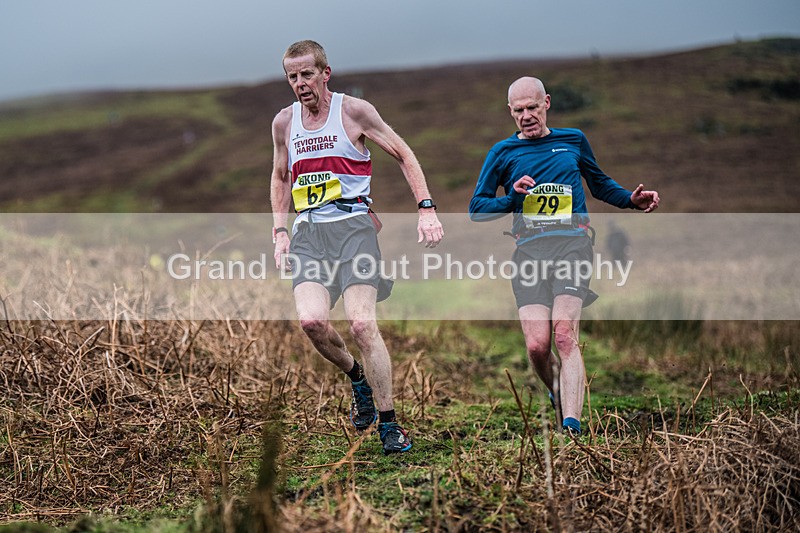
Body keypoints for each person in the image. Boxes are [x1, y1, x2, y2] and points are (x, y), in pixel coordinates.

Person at [270, 40, 444, 455]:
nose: (300, 84)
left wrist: (426, 208)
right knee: (311, 323)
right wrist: (280, 231)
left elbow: (403, 153)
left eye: (307, 74)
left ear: (325, 73)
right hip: (310, 234)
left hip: (354, 231)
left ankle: (389, 425)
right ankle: (358, 379)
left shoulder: (354, 112)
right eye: (292, 77)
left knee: (362, 325)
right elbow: (280, 177)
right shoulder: (283, 123)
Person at [468, 77, 659, 436]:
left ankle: (571, 425)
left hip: (573, 245)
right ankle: (558, 391)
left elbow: (600, 185)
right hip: (528, 252)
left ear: (547, 103)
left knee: (564, 335)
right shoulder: (502, 152)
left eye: (533, 107)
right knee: (537, 347)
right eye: (519, 110)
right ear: (510, 111)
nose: (527, 116)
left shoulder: (573, 140)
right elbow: (476, 208)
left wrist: (630, 201)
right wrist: (512, 200)